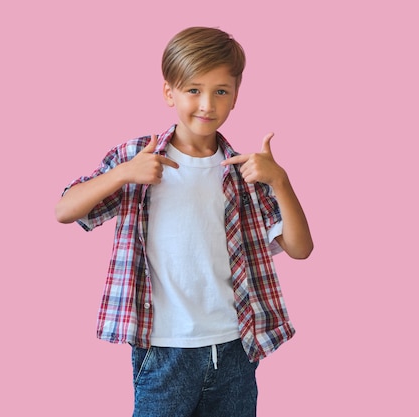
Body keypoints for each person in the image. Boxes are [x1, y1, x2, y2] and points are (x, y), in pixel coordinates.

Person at [55, 26, 313, 417]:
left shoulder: (245, 172)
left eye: (220, 91)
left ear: (235, 97)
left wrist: (280, 179)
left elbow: (300, 248)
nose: (207, 104)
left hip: (235, 347)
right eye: (193, 90)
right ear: (168, 92)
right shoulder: (139, 157)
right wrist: (124, 173)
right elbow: (65, 210)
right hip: (164, 349)